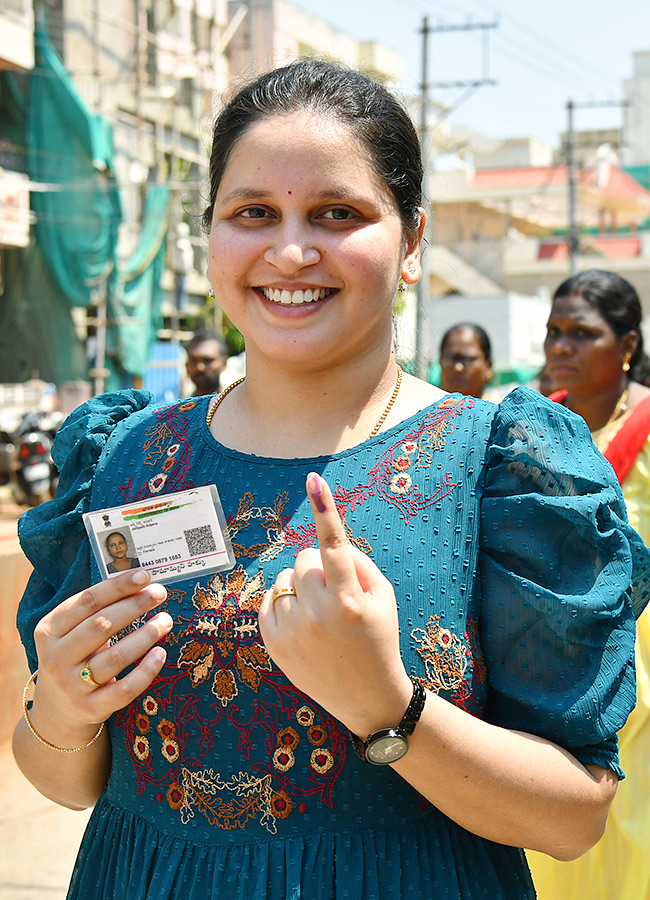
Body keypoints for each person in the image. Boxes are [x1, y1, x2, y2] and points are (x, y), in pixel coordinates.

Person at [11, 60, 650, 900]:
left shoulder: (500, 466)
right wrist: (60, 705)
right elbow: (66, 781)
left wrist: (389, 706)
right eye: (253, 213)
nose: (290, 249)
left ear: (412, 240)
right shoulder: (125, 455)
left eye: (337, 213)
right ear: (211, 236)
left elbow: (572, 820)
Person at [528, 268, 650, 900]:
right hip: (556, 667)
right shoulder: (536, 430)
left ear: (627, 346)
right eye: (553, 332)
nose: (560, 348)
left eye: (581, 333)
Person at [438, 323, 493, 398]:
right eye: (449, 358)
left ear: (488, 365)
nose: (458, 368)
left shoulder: (502, 408)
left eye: (468, 360)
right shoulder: (423, 406)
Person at [185, 330, 228, 396]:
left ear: (224, 363)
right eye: (193, 360)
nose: (200, 367)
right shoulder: (180, 405)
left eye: (207, 360)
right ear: (187, 366)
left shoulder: (236, 404)